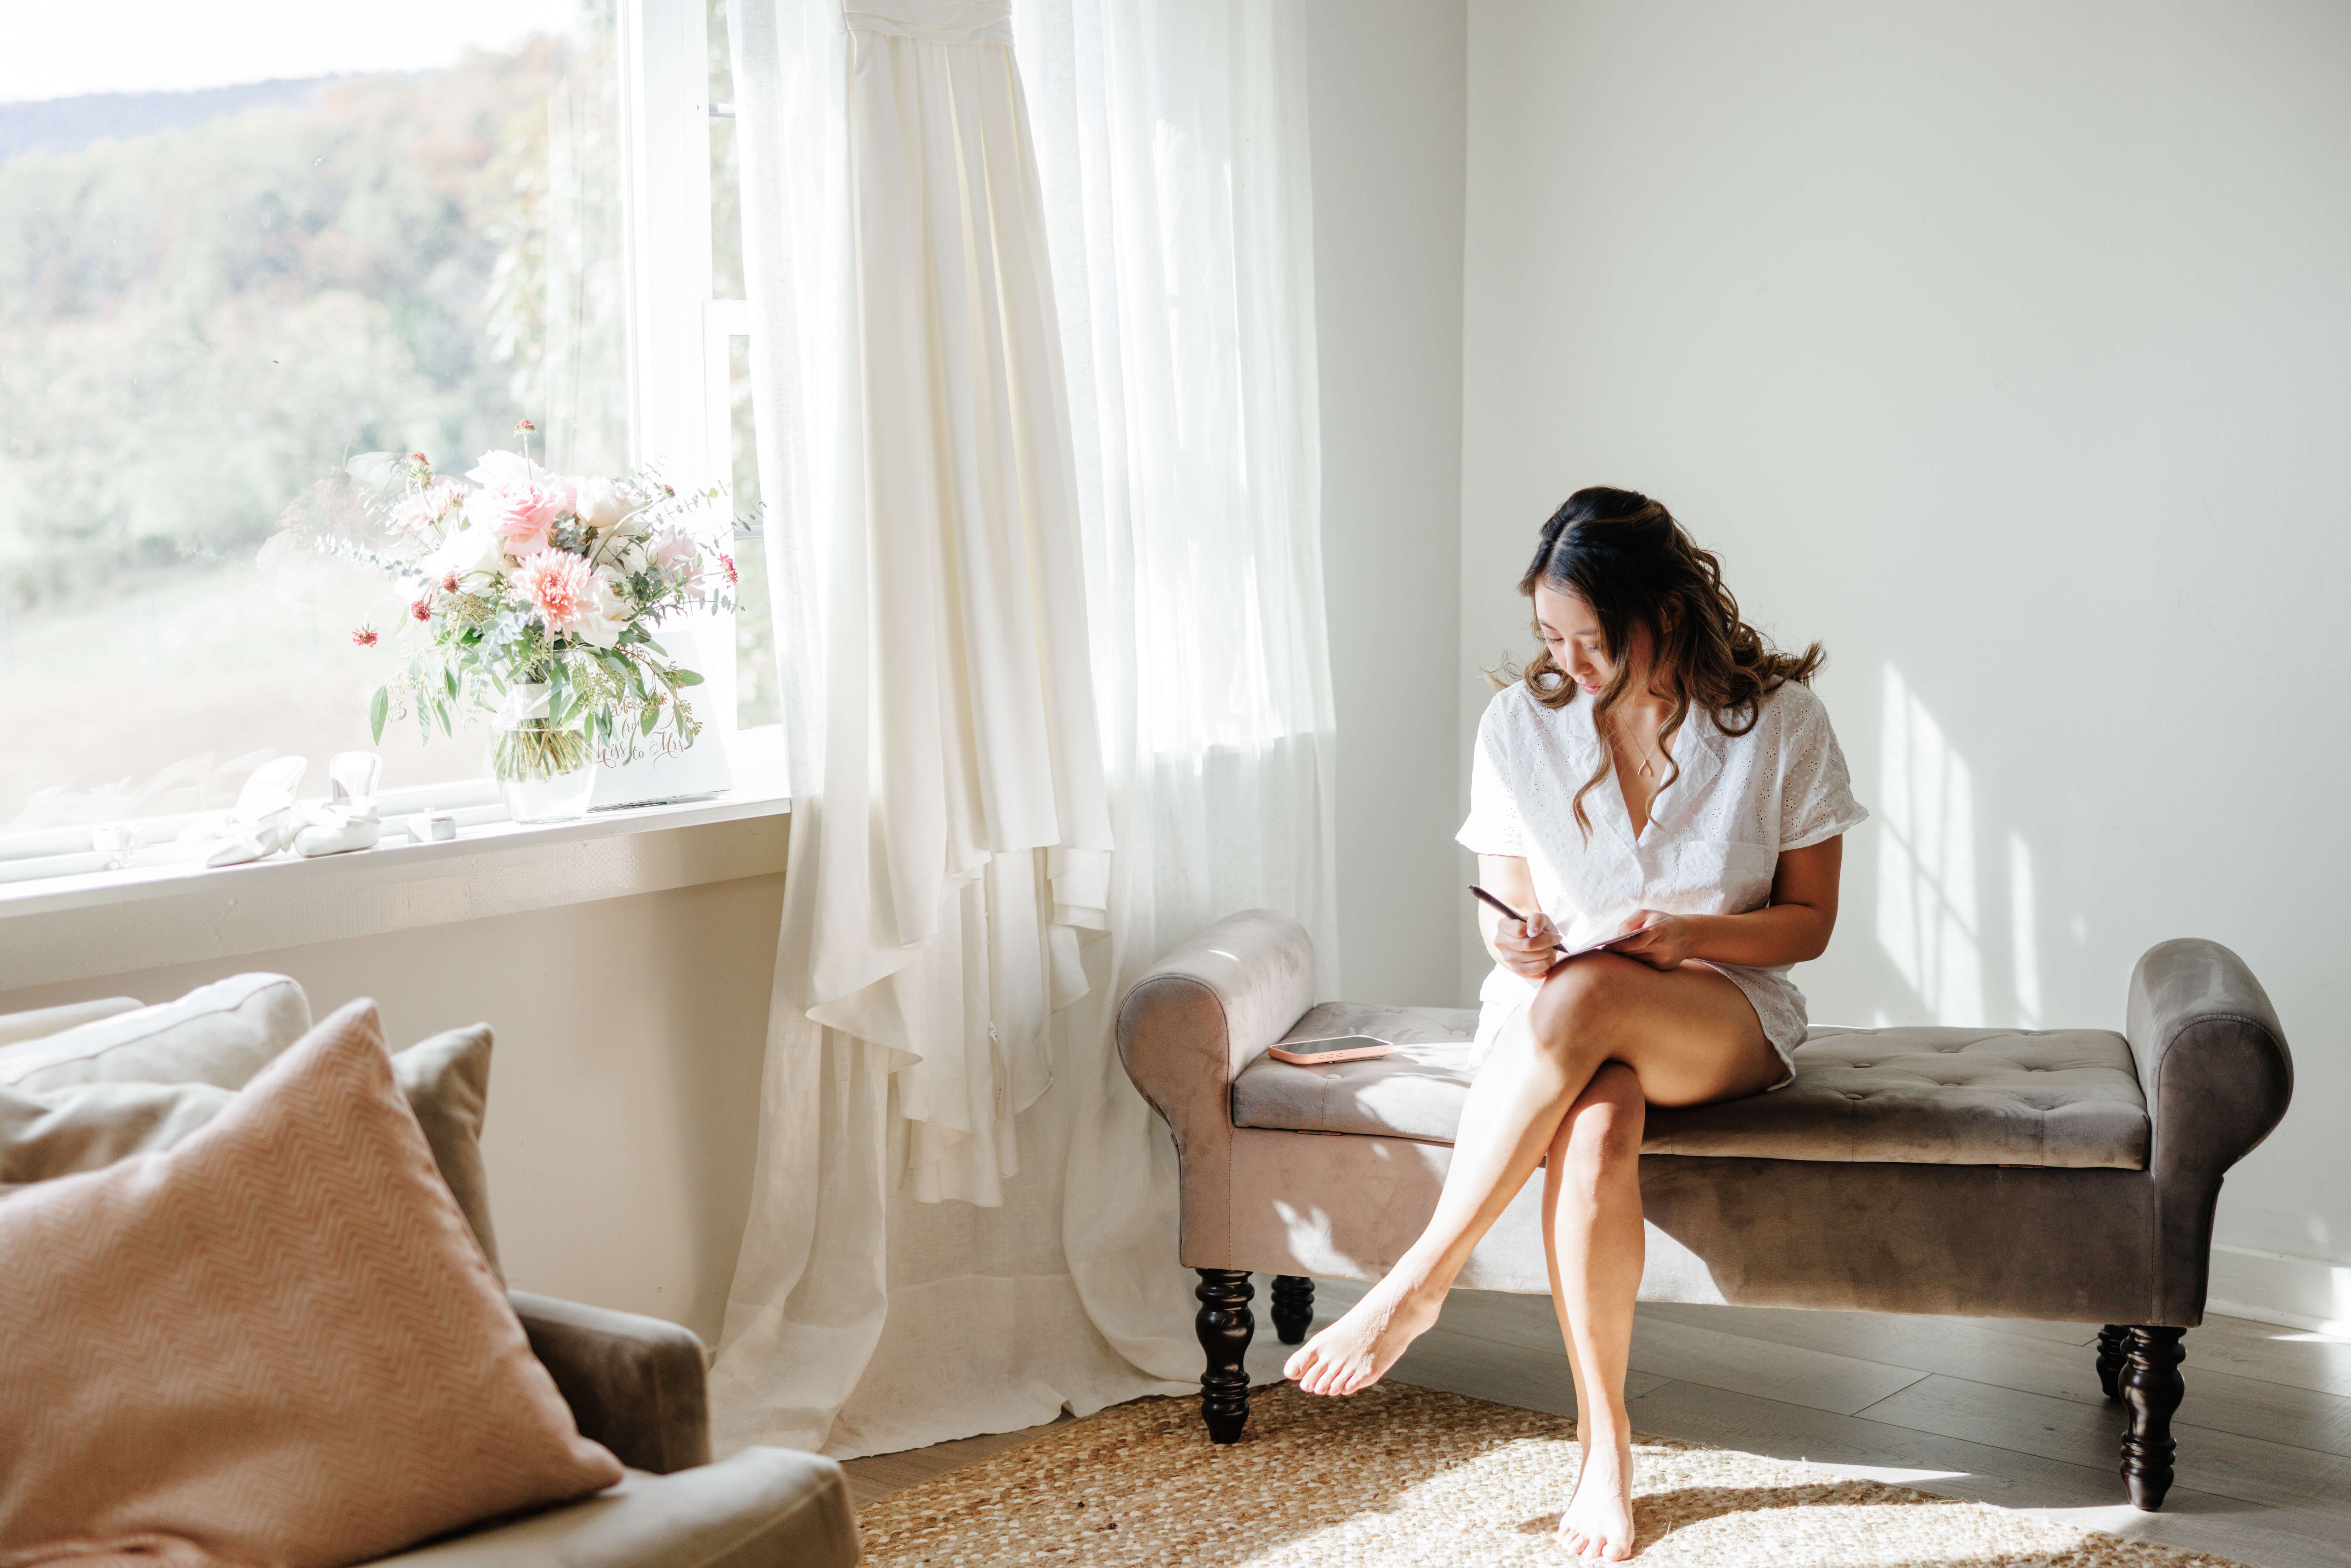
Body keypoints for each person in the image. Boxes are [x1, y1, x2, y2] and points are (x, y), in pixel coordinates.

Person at [1283, 487, 1868, 1561]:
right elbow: (1505, 907)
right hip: (1557, 1016)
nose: (1568, 660)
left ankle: (1416, 1286)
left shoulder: (1780, 725)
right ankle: (1606, 1445)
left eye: (1590, 639)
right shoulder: (1519, 726)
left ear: (1667, 615)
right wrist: (1514, 939)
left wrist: (1689, 934)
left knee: (1595, 997)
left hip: (1718, 1011)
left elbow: (1809, 924)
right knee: (1595, 1125)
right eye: (1551, 635)